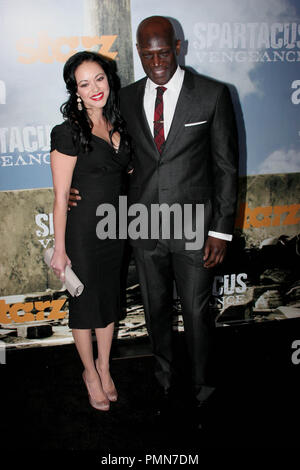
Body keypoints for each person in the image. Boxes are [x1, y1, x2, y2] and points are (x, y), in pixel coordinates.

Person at [70, 16, 238, 419]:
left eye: (164, 52)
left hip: (195, 225)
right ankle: (164, 378)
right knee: (154, 307)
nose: (157, 61)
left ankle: (203, 385)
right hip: (144, 224)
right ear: (139, 53)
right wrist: (78, 188)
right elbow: (106, 152)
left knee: (197, 311)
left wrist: (221, 230)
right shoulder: (124, 99)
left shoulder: (212, 95)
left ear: (178, 48)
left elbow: (226, 168)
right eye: (148, 54)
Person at [50, 51, 131, 411]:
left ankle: (104, 365)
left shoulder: (121, 124)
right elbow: (61, 196)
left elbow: (129, 174)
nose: (94, 88)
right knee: (84, 305)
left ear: (109, 79)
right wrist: (60, 248)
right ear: (75, 91)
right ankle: (88, 371)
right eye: (85, 83)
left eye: (99, 78)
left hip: (116, 228)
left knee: (109, 300)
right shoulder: (67, 132)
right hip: (82, 232)